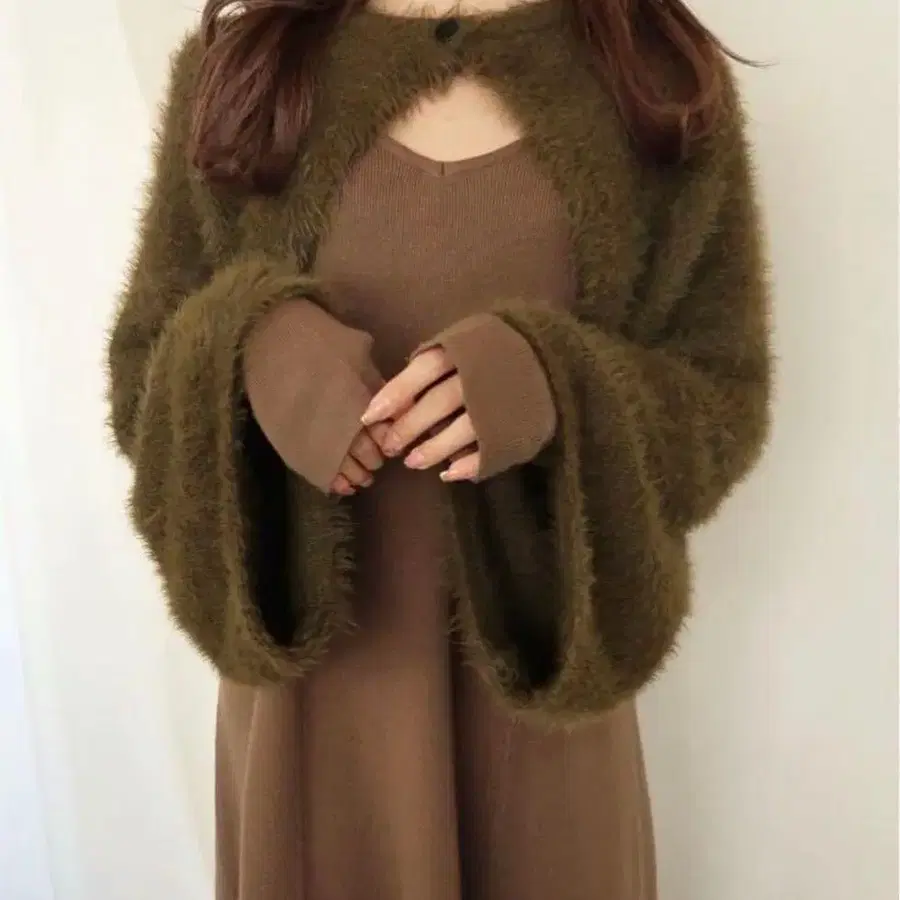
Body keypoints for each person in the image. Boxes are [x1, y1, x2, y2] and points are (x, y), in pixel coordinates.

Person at [105, 0, 771, 896]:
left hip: (545, 694)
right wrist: (251, 344)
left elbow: (721, 396)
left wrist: (551, 380)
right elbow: (143, 378)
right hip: (315, 721)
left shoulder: (658, 83)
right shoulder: (250, 69)